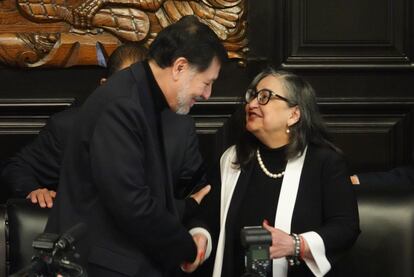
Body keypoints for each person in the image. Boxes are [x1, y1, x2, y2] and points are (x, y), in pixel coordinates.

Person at [45, 15, 227, 277]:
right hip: (100, 265)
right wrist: (186, 248)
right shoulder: (123, 104)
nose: (208, 94)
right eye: (207, 82)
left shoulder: (140, 94)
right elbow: (132, 203)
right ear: (179, 67)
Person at [1, 43, 209, 216]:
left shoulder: (180, 128)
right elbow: (18, 168)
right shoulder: (68, 127)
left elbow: (197, 192)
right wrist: (35, 190)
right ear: (105, 85)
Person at [191, 68, 360, 277]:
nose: (251, 104)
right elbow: (206, 219)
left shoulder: (325, 162)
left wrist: (296, 244)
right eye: (252, 96)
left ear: (293, 114)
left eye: (264, 97)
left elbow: (346, 228)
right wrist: (200, 237)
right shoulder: (232, 158)